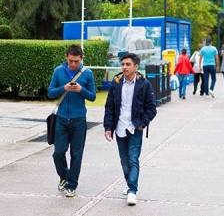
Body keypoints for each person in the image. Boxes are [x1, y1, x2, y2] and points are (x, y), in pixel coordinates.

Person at [103, 53, 157, 206]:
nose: (124, 67)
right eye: (123, 64)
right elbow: (110, 107)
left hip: (135, 128)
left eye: (128, 64)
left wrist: (142, 123)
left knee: (133, 159)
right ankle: (130, 184)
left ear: (136, 67)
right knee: (124, 161)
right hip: (120, 127)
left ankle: (132, 190)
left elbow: (151, 108)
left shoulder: (144, 84)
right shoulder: (116, 82)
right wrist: (108, 127)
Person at [48, 44, 96, 198]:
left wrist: (81, 90)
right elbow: (50, 93)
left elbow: (93, 96)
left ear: (81, 58)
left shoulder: (87, 73)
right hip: (61, 119)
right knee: (58, 153)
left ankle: (72, 185)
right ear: (66, 58)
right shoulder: (58, 71)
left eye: (76, 61)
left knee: (76, 154)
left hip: (79, 120)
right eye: (70, 61)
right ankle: (64, 176)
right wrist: (64, 88)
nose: (73, 64)